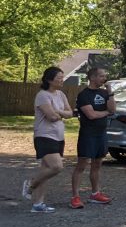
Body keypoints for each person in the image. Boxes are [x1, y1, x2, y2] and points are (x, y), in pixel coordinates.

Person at [23, 67, 73, 213]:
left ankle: (38, 205)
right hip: (44, 135)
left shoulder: (61, 94)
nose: (62, 80)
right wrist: (60, 114)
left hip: (58, 136)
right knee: (56, 167)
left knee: (46, 169)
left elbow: (70, 113)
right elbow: (51, 117)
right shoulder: (43, 95)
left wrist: (58, 112)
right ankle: (31, 184)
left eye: (63, 77)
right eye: (59, 77)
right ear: (49, 79)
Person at [71, 67, 115, 208]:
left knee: (97, 164)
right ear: (92, 78)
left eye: (104, 76)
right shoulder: (84, 95)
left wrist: (110, 92)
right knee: (82, 165)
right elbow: (91, 115)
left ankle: (95, 193)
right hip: (88, 134)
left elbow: (113, 110)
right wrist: (105, 112)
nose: (104, 78)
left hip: (101, 134)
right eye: (102, 76)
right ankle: (75, 197)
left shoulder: (104, 92)